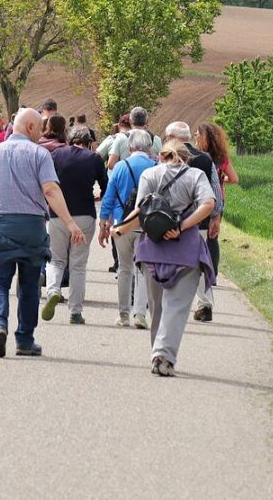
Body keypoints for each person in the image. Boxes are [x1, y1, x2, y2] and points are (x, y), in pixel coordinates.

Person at [0, 108, 85, 358]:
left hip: (2, 223)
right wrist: (70, 223)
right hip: (32, 227)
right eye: (39, 128)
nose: (41, 133)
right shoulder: (40, 154)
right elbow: (50, 190)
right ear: (29, 127)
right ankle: (25, 339)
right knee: (29, 286)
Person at [110, 140, 216, 376]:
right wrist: (182, 225)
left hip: (152, 248)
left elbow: (141, 211)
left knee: (157, 307)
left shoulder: (150, 174)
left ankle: (157, 354)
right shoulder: (196, 175)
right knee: (176, 307)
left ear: (161, 156)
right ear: (186, 158)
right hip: (185, 249)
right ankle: (164, 356)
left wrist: (121, 229)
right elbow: (208, 204)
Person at [43, 126, 107, 325]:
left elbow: (47, 183)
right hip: (84, 214)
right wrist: (99, 197)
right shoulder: (94, 158)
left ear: (70, 140)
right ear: (88, 142)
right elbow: (106, 185)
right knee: (78, 265)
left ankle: (53, 290)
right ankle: (75, 311)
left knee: (56, 259)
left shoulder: (56, 155)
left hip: (58, 214)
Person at [163, 121, 224, 322]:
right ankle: (205, 304)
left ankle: (168, 303)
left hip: (171, 220)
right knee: (199, 263)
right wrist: (215, 216)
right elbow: (215, 191)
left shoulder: (166, 156)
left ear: (172, 137)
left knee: (167, 259)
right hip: (199, 219)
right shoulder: (205, 159)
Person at [98, 129, 157, 328]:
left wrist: (103, 222)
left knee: (124, 269)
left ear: (130, 147)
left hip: (121, 223)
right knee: (144, 270)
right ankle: (140, 314)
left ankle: (123, 314)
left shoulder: (121, 167)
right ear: (149, 147)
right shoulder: (155, 167)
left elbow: (108, 196)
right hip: (147, 225)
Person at [193, 122, 240, 321]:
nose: (195, 137)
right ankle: (213, 271)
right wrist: (221, 181)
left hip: (205, 201)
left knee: (204, 239)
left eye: (197, 135)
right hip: (218, 198)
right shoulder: (221, 158)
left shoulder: (198, 158)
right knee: (213, 239)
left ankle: (206, 278)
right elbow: (235, 178)